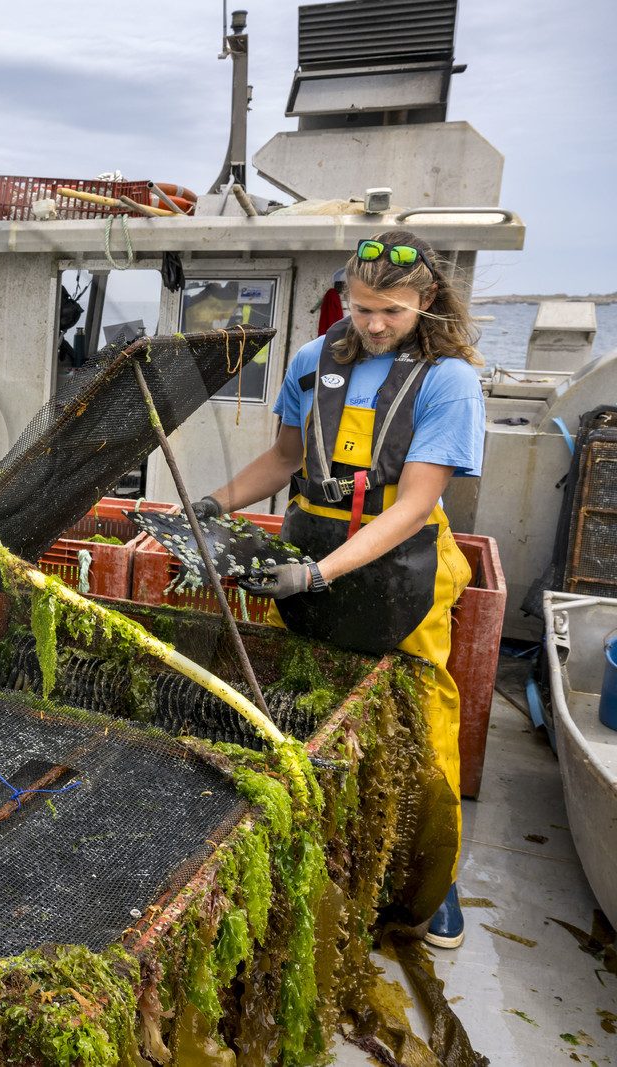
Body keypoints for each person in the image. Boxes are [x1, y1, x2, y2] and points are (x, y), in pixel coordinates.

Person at [192, 229, 483, 948]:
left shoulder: (448, 381)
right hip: (312, 544)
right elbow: (285, 458)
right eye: (360, 309)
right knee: (313, 697)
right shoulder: (311, 360)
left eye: (391, 311)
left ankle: (433, 884)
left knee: (422, 716)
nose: (375, 324)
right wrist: (213, 503)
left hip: (401, 561)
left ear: (427, 300)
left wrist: (322, 573)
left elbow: (415, 502)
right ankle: (333, 844)